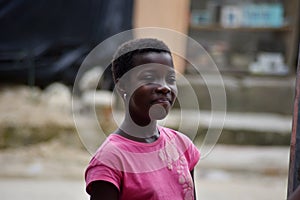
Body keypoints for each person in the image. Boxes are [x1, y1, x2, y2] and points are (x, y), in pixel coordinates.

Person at [85, 38, 200, 200]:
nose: (164, 87)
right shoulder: (111, 160)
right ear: (123, 85)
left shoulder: (182, 146)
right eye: (149, 78)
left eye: (171, 79)